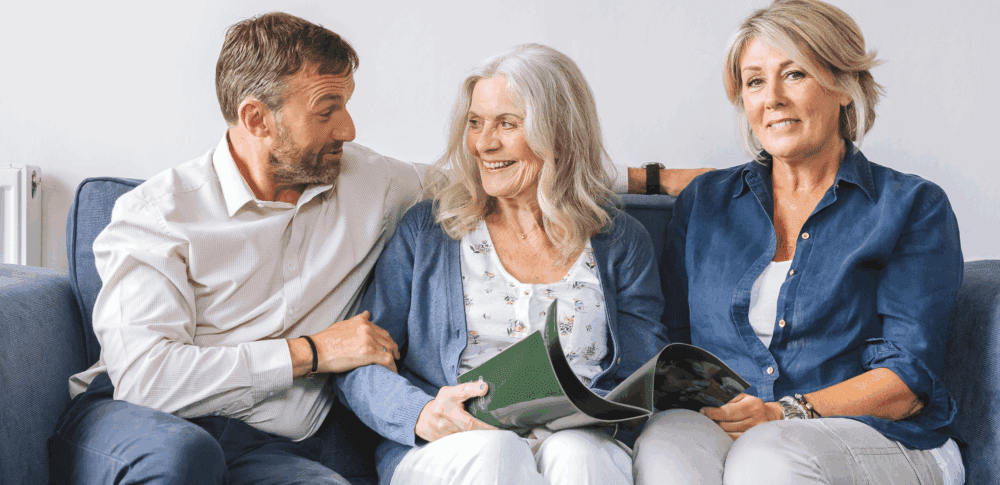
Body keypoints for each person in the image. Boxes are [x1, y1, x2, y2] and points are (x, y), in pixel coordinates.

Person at [47, 13, 705, 484]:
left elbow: (514, 169)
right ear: (257, 119)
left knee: (576, 457)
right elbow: (148, 379)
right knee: (180, 460)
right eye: (327, 109)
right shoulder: (155, 216)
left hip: (279, 437)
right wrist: (310, 353)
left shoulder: (366, 180)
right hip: (153, 417)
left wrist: (651, 179)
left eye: (346, 105)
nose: (350, 127)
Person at [631, 1, 965, 484]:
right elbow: (673, 345)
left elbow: (907, 382)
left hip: (882, 436)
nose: (772, 99)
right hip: (735, 425)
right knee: (665, 450)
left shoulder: (911, 206)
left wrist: (784, 412)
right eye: (754, 82)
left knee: (768, 455)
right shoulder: (706, 202)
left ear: (844, 87)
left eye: (794, 75)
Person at [335, 43, 670, 485]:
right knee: (497, 451)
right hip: (453, 445)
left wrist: (600, 413)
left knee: (580, 457)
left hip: (577, 438)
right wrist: (420, 413)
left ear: (560, 131)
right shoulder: (428, 232)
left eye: (507, 124)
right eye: (475, 123)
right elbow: (360, 361)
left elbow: (639, 377)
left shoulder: (621, 241)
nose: (483, 143)